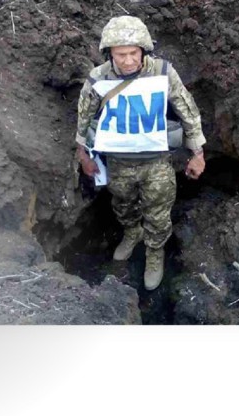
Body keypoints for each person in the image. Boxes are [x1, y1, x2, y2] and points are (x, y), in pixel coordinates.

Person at [73, 16, 206, 289]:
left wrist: (197, 152)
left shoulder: (162, 72)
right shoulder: (98, 78)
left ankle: (154, 251)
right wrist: (83, 155)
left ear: (143, 50)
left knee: (157, 212)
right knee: (123, 203)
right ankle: (132, 233)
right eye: (121, 54)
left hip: (156, 161)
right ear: (109, 53)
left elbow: (187, 109)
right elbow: (84, 117)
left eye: (134, 53)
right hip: (118, 161)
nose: (128, 60)